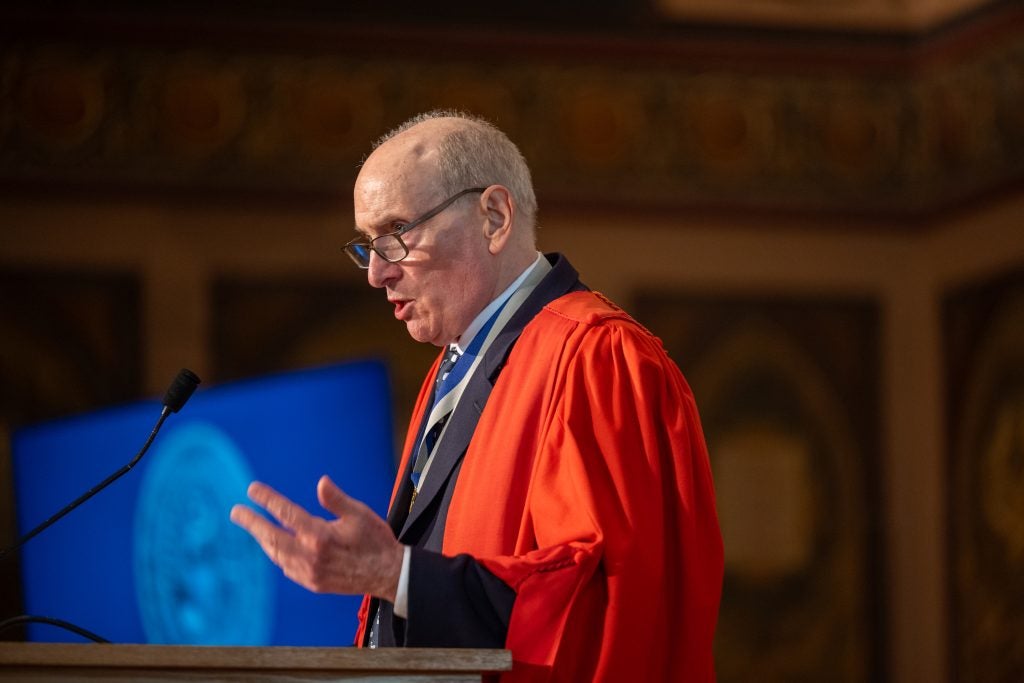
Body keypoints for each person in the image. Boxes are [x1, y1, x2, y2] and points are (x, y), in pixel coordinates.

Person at [230, 110, 724, 681]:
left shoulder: (595, 357)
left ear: (493, 216)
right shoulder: (458, 367)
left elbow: (600, 603)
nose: (376, 274)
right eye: (368, 245)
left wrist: (396, 575)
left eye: (395, 234)